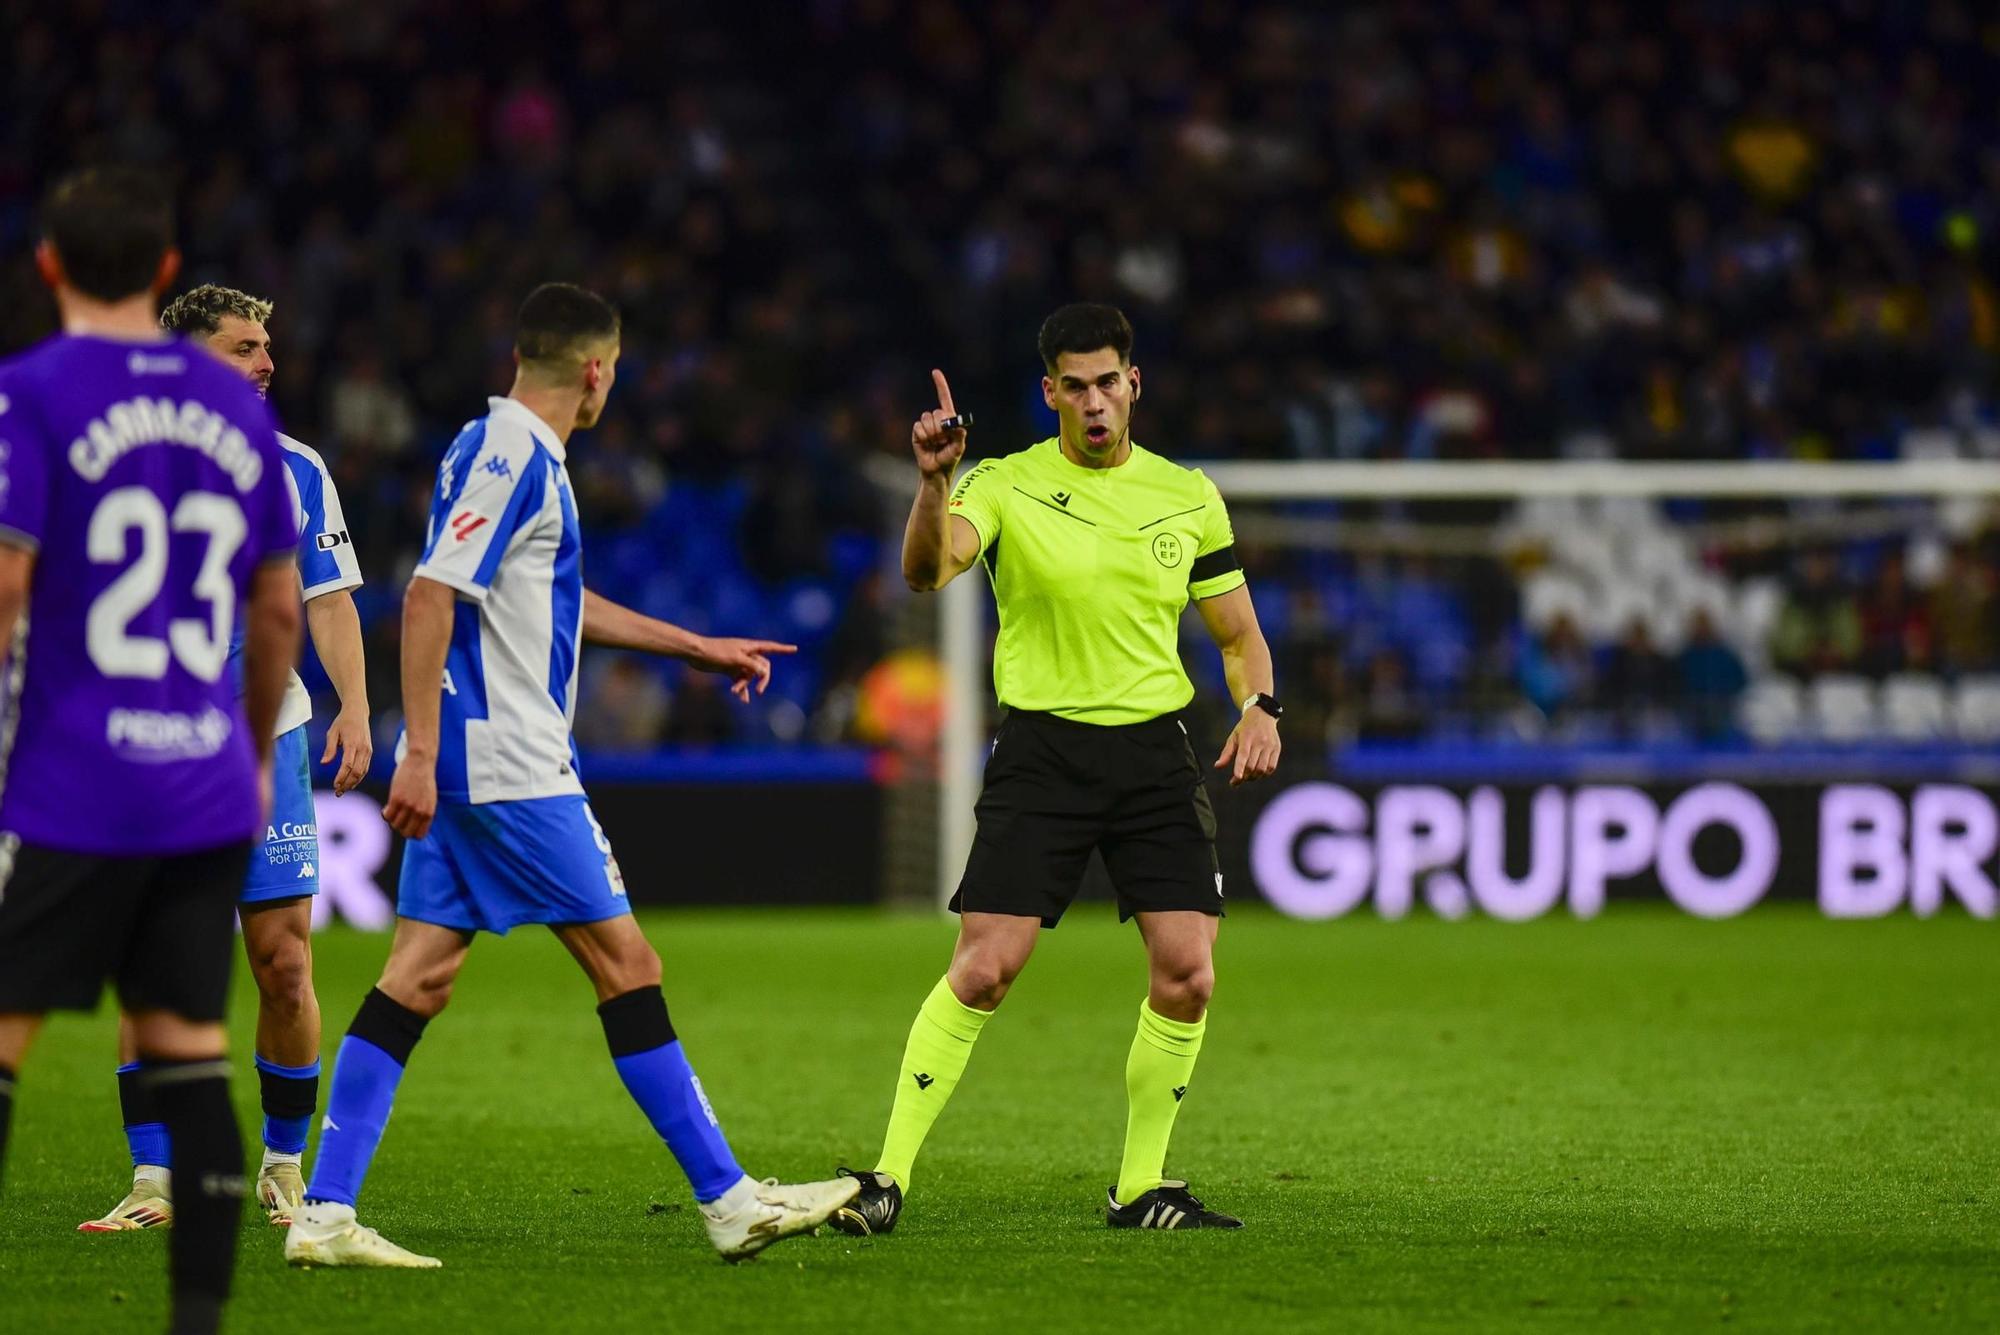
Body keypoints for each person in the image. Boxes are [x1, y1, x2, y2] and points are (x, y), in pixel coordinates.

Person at [283, 283, 859, 1268]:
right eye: (615, 369)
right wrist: (419, 749)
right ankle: (727, 1199)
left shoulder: (499, 450)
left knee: (417, 978)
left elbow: (549, 594)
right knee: (626, 965)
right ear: (596, 370)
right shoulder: (511, 453)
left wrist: (691, 645)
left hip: (479, 757)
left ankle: (325, 1214)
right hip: (507, 763)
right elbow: (427, 597)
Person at [835, 303, 1281, 1235]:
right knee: (987, 968)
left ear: (1134, 385)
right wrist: (932, 483)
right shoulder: (1000, 484)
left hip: (1156, 754)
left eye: (1106, 382)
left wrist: (1260, 706)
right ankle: (887, 1176)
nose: (1092, 401)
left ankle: (1143, 1186)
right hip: (1043, 752)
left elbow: (1238, 634)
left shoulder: (1187, 494)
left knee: (1189, 972)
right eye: (1072, 385)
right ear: (1049, 393)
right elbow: (927, 572)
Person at [0, 166, 302, 1335]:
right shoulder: (238, 416)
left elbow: (11, 584)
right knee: (189, 1049)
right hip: (202, 779)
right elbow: (275, 615)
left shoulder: (31, 393)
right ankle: (196, 1324)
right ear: (167, 272)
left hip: (76, 773)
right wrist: (243, 746)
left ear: (48, 265)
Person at [77, 285, 372, 1233]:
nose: (267, 363)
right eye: (246, 347)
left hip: (267, 735)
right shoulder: (111, 458)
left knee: (283, 962)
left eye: (267, 345)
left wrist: (357, 706)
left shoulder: (294, 468)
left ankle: (284, 1166)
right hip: (147, 741)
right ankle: (154, 1181)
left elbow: (326, 600)